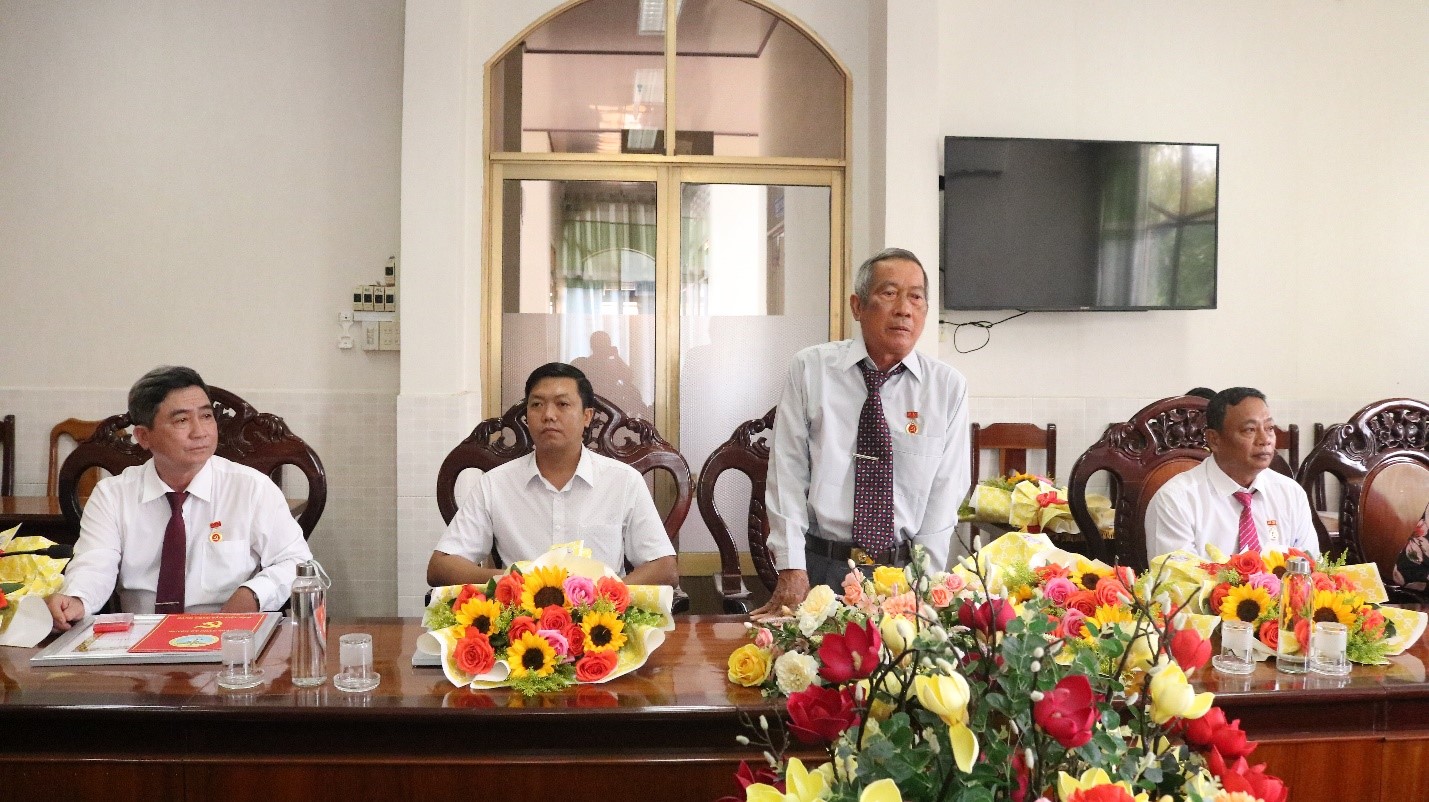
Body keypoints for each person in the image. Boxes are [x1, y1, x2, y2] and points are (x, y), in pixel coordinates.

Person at [753, 247, 969, 618]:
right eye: (890, 293)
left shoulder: (946, 387)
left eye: (916, 297)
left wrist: (926, 584)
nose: (904, 309)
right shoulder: (811, 370)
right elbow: (787, 473)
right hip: (822, 568)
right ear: (857, 306)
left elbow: (945, 491)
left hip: (903, 574)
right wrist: (791, 567)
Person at [46, 366, 313, 630]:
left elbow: (298, 563)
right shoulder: (111, 496)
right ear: (144, 436)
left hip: (226, 635)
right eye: (182, 420)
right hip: (139, 636)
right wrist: (77, 599)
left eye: (206, 416)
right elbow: (95, 564)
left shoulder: (252, 489)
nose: (200, 432)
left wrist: (254, 593)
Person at [426, 362, 678, 587]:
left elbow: (664, 568)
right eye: (537, 405)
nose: (548, 415)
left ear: (587, 416)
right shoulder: (495, 484)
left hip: (601, 616)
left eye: (562, 404)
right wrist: (510, 580)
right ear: (527, 417)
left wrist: (609, 594)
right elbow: (441, 567)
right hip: (521, 617)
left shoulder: (623, 481)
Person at [1145, 387, 1319, 559]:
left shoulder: (1291, 493)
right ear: (1214, 440)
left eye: (1269, 428)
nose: (1265, 440)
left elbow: (1311, 566)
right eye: (1249, 430)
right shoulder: (1175, 500)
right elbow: (1177, 576)